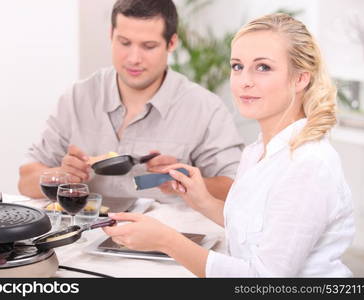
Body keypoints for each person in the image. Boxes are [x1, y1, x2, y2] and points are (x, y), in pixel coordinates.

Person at [103, 13, 355, 277]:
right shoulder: (257, 151)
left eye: (263, 67)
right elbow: (257, 234)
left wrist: (166, 240)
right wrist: (203, 202)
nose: (244, 80)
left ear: (300, 79)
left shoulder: (308, 164)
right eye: (237, 66)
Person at [18, 0, 243, 203]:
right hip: (84, 236)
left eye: (148, 46)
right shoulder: (78, 97)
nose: (134, 58)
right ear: (111, 35)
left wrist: (183, 182)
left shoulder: (205, 108)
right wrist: (62, 174)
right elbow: (25, 181)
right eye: (124, 43)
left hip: (169, 241)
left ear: (171, 43)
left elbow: (237, 189)